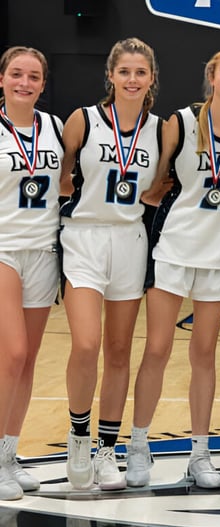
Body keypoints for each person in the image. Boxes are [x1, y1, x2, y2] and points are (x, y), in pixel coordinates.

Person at [125, 47, 220, 489]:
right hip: (174, 249)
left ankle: (199, 454)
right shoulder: (181, 122)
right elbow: (153, 186)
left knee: (204, 356)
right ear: (212, 75)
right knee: (157, 349)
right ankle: (138, 446)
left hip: (219, 256)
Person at [59, 38, 162, 490]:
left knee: (119, 351)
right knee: (86, 344)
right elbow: (58, 177)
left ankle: (106, 448)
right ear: (111, 75)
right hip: (84, 236)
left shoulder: (161, 129)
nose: (132, 79)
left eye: (140, 72)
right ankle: (79, 437)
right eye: (124, 71)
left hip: (130, 238)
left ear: (151, 78)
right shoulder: (83, 119)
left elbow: (162, 185)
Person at [0, 46, 63, 500]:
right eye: (17, 74)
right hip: (3, 249)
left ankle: (9, 455)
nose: (25, 82)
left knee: (28, 362)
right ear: (2, 79)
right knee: (13, 355)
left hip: (43, 251)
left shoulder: (56, 128)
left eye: (34, 76)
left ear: (43, 84)